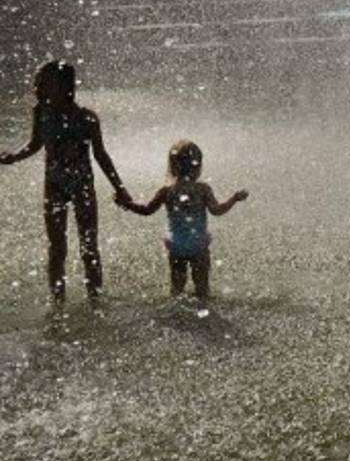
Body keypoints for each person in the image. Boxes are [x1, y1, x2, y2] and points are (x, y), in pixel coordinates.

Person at [0, 61, 130, 303]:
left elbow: (101, 155)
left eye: (42, 83)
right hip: (54, 186)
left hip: (83, 187)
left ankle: (95, 299)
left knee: (89, 247)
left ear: (64, 86)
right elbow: (35, 145)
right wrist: (13, 157)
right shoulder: (41, 112)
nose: (36, 88)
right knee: (56, 247)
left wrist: (121, 189)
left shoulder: (87, 119)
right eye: (36, 83)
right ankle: (58, 301)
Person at [115, 140, 247, 300]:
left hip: (177, 246)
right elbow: (217, 211)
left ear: (173, 167)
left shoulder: (167, 191)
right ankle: (204, 313)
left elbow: (146, 210)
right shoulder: (202, 189)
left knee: (177, 290)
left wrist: (127, 204)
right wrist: (234, 198)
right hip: (198, 245)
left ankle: (177, 317)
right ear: (198, 166)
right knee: (202, 289)